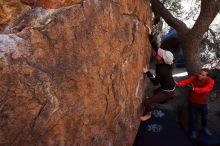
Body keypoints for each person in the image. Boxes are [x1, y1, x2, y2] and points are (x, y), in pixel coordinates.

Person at [176, 68, 215, 139]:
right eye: (200, 73)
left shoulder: (211, 81)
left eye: (202, 75)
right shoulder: (194, 77)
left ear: (207, 77)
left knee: (204, 117)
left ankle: (204, 128)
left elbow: (206, 89)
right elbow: (186, 81)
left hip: (203, 103)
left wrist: (194, 89)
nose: (199, 75)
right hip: (193, 102)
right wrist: (179, 84)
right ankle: (193, 131)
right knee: (193, 118)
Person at [140, 47, 176, 121]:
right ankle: (154, 101)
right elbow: (156, 48)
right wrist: (151, 37)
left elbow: (155, 82)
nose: (157, 53)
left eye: (160, 55)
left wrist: (147, 72)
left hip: (167, 92)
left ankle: (148, 114)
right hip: (168, 87)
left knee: (146, 102)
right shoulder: (166, 64)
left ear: (161, 59)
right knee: (154, 93)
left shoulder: (162, 69)